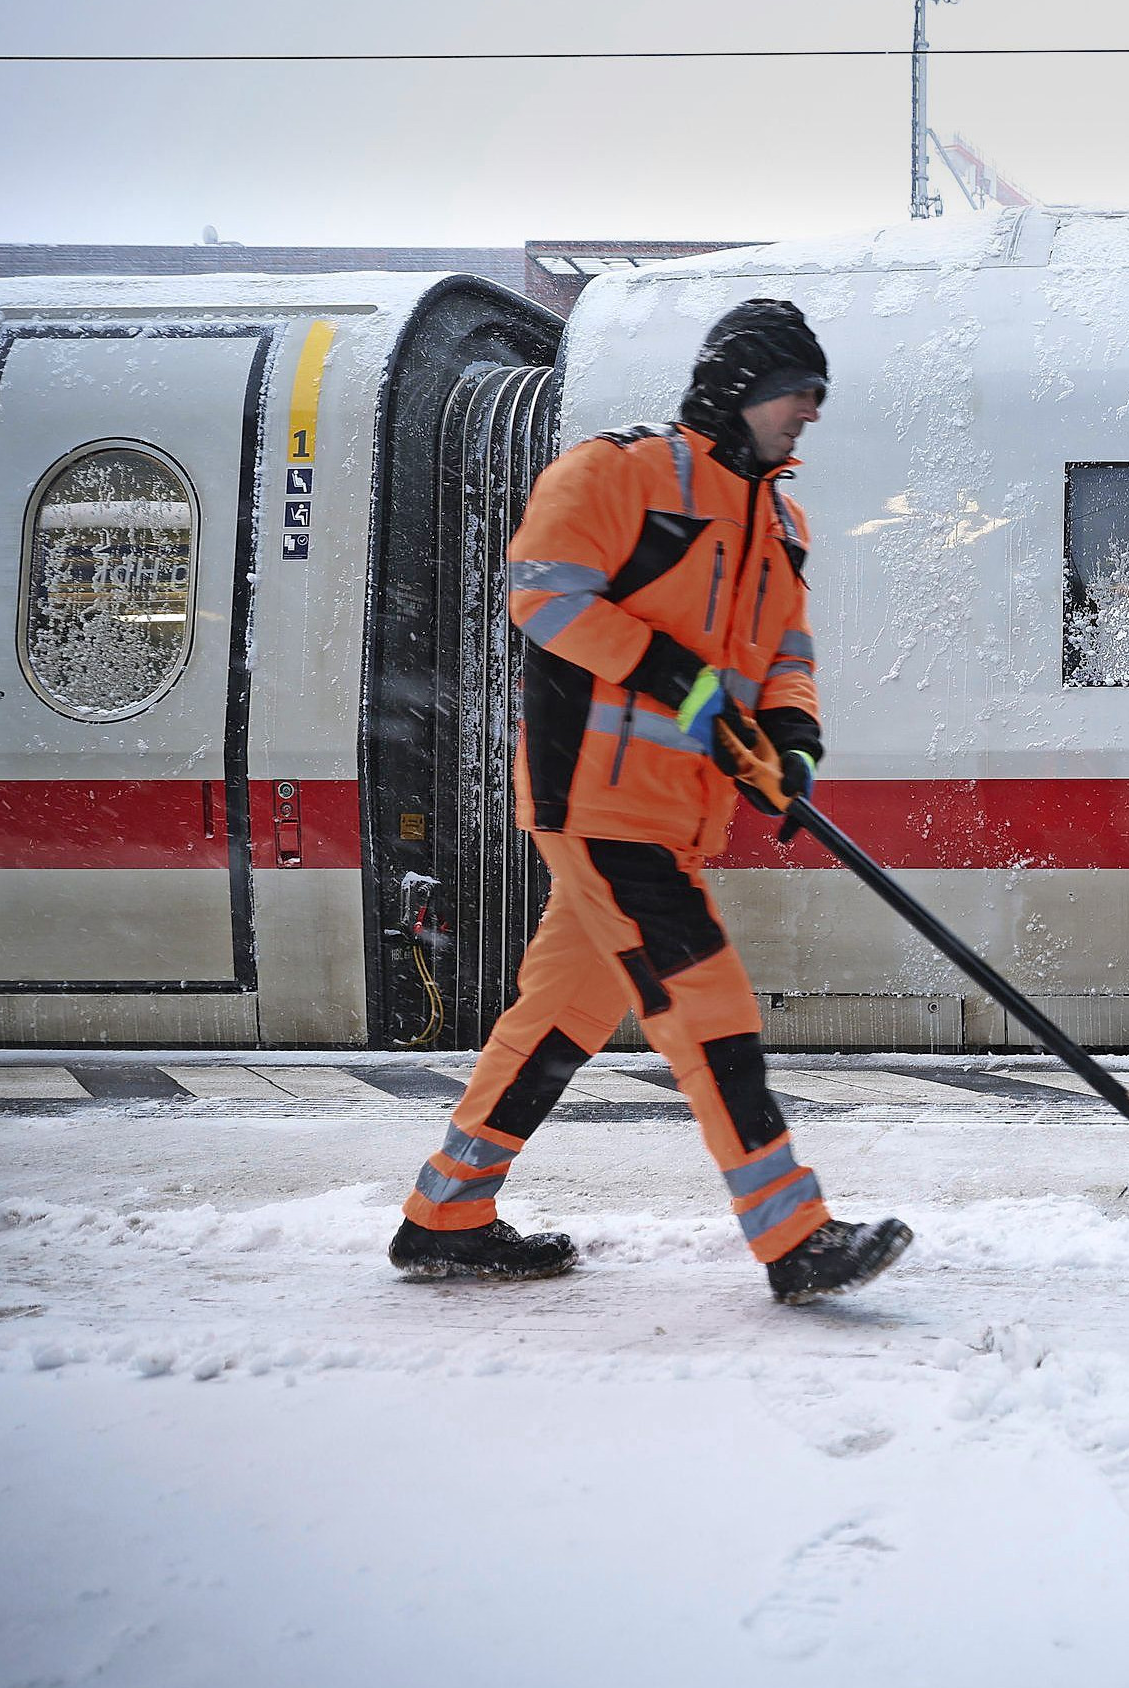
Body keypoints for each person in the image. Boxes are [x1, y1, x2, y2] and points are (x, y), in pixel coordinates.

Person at [388, 298, 912, 1305]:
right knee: (707, 997)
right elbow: (543, 592)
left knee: (561, 1014)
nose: (809, 413)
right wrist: (672, 671)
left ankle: (446, 1212)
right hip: (596, 797)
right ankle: (793, 1234)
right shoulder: (621, 473)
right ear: (740, 390)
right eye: (796, 393)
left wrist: (792, 737)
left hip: (677, 810)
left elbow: (783, 654)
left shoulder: (779, 519)